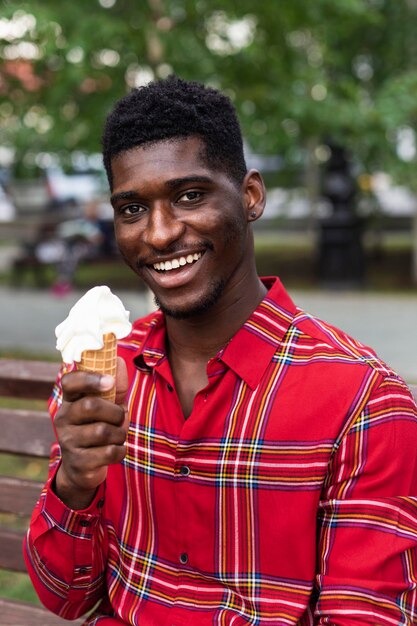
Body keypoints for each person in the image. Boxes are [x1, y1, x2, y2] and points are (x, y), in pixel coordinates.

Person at [24, 76, 417, 625]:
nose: (158, 234)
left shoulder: (365, 404)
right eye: (132, 209)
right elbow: (64, 597)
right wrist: (76, 482)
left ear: (250, 196)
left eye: (189, 196)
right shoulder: (103, 377)